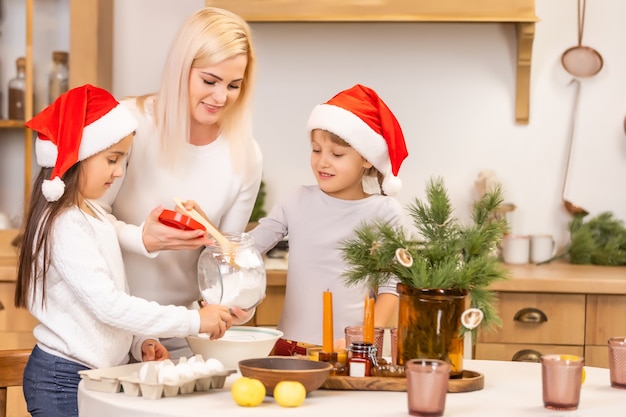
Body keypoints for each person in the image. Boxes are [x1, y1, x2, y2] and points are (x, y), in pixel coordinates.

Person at [14, 85, 234, 417]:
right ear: (77, 157)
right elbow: (109, 306)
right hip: (61, 379)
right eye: (112, 159)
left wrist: (139, 340)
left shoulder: (94, 214)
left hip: (89, 375)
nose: (119, 172)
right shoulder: (66, 225)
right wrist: (194, 320)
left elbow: (110, 295)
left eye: (123, 160)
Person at [97, 7, 263, 357]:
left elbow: (226, 262)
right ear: (180, 69)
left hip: (179, 334)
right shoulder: (129, 124)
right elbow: (84, 221)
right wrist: (143, 237)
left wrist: (238, 301)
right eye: (209, 81)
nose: (220, 97)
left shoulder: (245, 156)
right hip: (105, 326)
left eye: (234, 85)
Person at [248, 84, 409, 355]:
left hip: (351, 349)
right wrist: (208, 231)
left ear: (367, 159)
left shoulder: (385, 212)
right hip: (291, 347)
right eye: (316, 150)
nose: (322, 162)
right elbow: (247, 247)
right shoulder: (296, 200)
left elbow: (391, 286)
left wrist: (364, 338)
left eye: (336, 154)